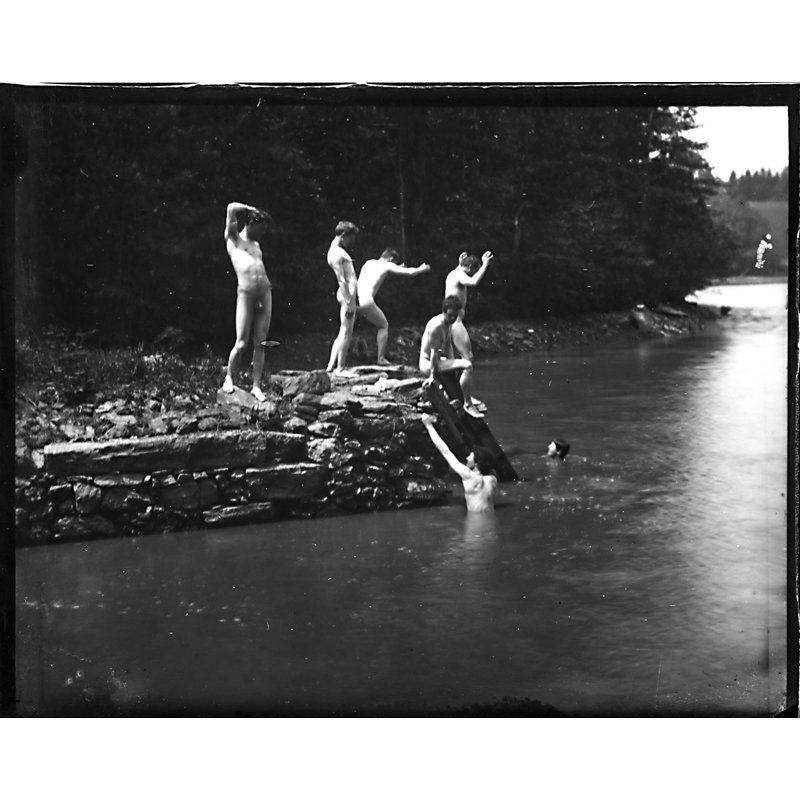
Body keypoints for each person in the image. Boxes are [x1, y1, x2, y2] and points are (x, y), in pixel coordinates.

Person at [221, 202, 274, 402]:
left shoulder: (257, 245)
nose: (263, 233)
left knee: (260, 342)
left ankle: (256, 386)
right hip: (246, 294)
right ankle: (229, 378)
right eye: (261, 228)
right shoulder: (233, 238)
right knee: (241, 342)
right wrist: (250, 208)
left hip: (265, 293)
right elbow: (230, 207)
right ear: (251, 223)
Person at [357, 248, 431, 365]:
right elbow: (410, 273)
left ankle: (336, 364)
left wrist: (397, 267)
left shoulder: (369, 263)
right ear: (391, 259)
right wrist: (422, 269)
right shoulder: (387, 266)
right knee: (384, 325)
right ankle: (381, 359)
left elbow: (380, 273)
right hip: (367, 301)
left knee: (346, 331)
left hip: (355, 301)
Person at [418, 295, 483, 418]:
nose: (452, 318)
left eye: (455, 316)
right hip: (428, 363)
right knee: (467, 365)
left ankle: (458, 397)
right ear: (444, 312)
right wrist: (432, 376)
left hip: (438, 361)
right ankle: (467, 404)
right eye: (450, 315)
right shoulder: (436, 326)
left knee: (461, 365)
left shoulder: (448, 324)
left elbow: (448, 347)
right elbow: (433, 352)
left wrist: (452, 364)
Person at [443, 250, 494, 408]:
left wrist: (460, 262)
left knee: (455, 362)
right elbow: (473, 282)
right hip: (455, 322)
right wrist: (485, 265)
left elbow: (462, 270)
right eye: (474, 268)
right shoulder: (459, 275)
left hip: (450, 321)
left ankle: (453, 395)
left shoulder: (454, 272)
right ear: (471, 267)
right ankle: (467, 401)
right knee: (468, 359)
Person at [422, 413, 498, 512]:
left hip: (475, 525)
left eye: (470, 457)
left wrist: (429, 426)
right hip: (490, 523)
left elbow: (445, 451)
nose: (467, 458)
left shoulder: (469, 476)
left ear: (476, 463)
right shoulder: (492, 480)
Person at [326, 221, 360, 375]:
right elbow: (341, 279)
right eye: (350, 238)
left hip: (348, 295)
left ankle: (330, 366)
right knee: (347, 332)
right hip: (347, 296)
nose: (352, 242)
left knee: (343, 331)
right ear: (344, 235)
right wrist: (348, 301)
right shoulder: (335, 253)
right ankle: (340, 368)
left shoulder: (337, 250)